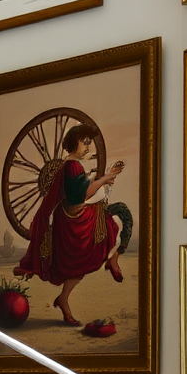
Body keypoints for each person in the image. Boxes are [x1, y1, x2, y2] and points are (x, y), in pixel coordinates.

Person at [14, 124, 133, 326]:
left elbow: (87, 189)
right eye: (84, 142)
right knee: (121, 215)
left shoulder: (70, 166)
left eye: (89, 142)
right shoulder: (72, 166)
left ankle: (65, 298)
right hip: (78, 220)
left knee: (80, 263)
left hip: (76, 217)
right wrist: (105, 177)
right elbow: (82, 194)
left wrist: (108, 176)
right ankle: (113, 259)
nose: (88, 146)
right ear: (73, 144)